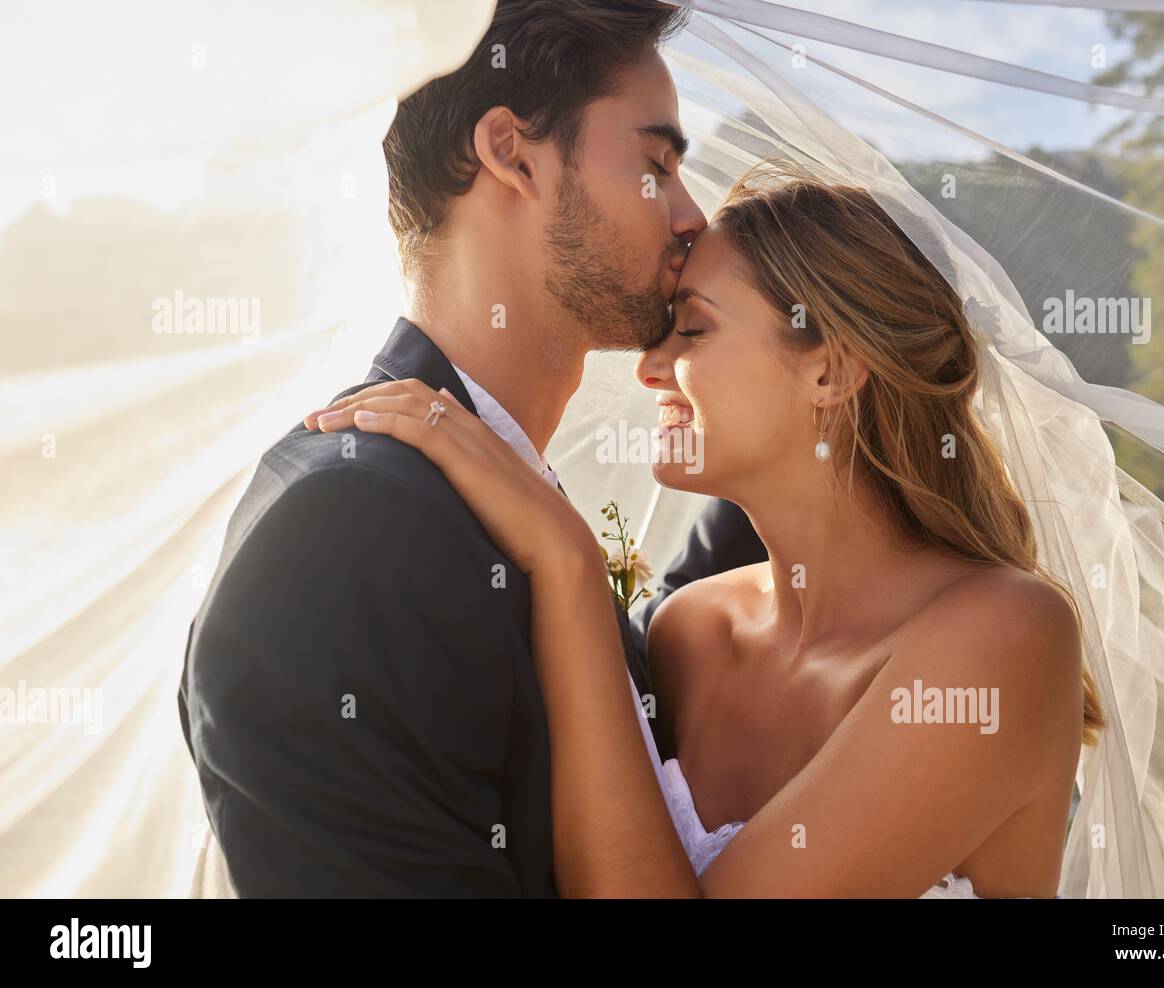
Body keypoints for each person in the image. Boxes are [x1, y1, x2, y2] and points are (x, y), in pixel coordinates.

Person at [311, 168, 1100, 897]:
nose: (649, 369)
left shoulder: (1004, 640)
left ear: (829, 370)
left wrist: (569, 564)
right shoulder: (689, 634)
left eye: (690, 330)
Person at [178, 0, 708, 897]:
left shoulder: (490, 494)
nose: (693, 217)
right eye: (656, 164)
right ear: (512, 153)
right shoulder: (349, 528)